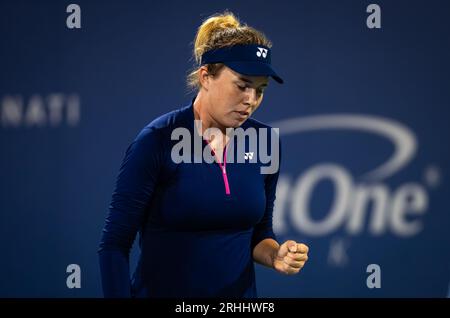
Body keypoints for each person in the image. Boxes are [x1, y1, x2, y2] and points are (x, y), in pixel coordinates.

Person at [98, 11, 309, 298]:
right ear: (206, 76)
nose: (251, 100)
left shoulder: (265, 141)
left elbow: (259, 232)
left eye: (260, 90)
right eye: (242, 85)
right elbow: (114, 244)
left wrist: (276, 256)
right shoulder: (157, 140)